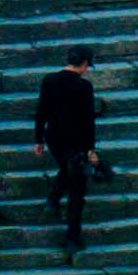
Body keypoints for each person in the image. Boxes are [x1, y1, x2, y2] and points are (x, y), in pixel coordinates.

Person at [32, 55, 105, 255]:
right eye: (87, 66)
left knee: (66, 169)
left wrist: (38, 139)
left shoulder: (49, 80)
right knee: (77, 190)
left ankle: (53, 200)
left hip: (54, 137)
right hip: (77, 143)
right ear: (83, 64)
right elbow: (88, 120)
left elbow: (41, 111)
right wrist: (91, 148)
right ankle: (72, 236)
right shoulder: (84, 87)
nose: (87, 70)